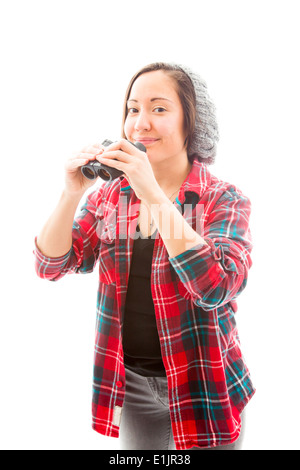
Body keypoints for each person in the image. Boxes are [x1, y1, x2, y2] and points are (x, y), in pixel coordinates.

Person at [34, 62, 255, 450]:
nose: (140, 123)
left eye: (158, 108)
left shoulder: (224, 198)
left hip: (205, 379)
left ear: (193, 121)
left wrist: (152, 191)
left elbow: (217, 286)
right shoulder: (110, 196)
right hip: (131, 385)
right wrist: (71, 193)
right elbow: (51, 265)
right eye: (133, 109)